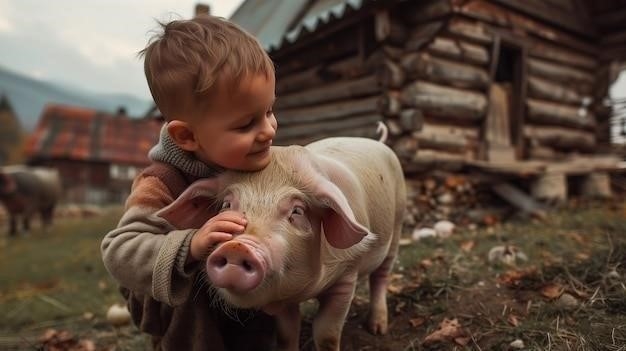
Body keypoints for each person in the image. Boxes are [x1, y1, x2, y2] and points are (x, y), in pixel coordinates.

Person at [101, 14, 277, 351]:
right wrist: (190, 246)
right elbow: (119, 251)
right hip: (171, 299)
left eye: (269, 111)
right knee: (193, 297)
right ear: (187, 136)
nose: (268, 130)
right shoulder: (161, 183)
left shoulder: (252, 165)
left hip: (239, 274)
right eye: (246, 125)